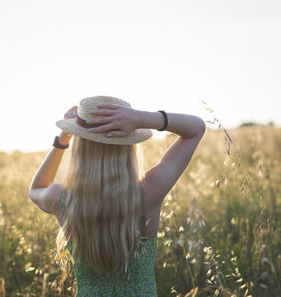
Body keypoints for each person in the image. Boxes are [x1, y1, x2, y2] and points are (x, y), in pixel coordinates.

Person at [29, 96, 205, 296]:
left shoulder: (62, 198)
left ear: (81, 146)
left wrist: (62, 140)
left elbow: (35, 189)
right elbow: (196, 128)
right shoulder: (148, 191)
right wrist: (141, 118)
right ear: (129, 145)